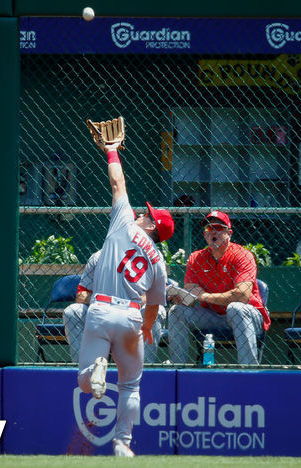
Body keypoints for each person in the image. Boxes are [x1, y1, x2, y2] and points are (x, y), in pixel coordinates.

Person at [76, 124, 174, 457]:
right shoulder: (159, 261)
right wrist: (146, 327)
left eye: (149, 215)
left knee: (86, 384)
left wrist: (111, 150)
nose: (144, 213)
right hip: (133, 318)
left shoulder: (124, 222)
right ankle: (122, 444)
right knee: (130, 384)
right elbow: (155, 306)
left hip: (101, 311)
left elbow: (117, 182)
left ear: (152, 225)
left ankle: (96, 368)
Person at [167, 211, 271, 365]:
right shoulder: (196, 258)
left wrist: (204, 296)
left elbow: (242, 296)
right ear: (204, 234)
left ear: (229, 233)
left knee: (236, 308)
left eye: (218, 227)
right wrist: (180, 298)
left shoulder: (242, 255)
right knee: (177, 312)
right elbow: (191, 296)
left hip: (248, 315)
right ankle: (178, 368)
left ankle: (248, 371)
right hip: (212, 316)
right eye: (209, 229)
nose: (213, 232)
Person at [63, 249, 166, 364]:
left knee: (159, 310)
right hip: (100, 311)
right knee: (72, 311)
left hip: (132, 312)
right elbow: (81, 295)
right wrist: (104, 301)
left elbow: (156, 294)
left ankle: (145, 368)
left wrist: (125, 302)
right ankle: (85, 368)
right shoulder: (98, 256)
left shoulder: (148, 256)